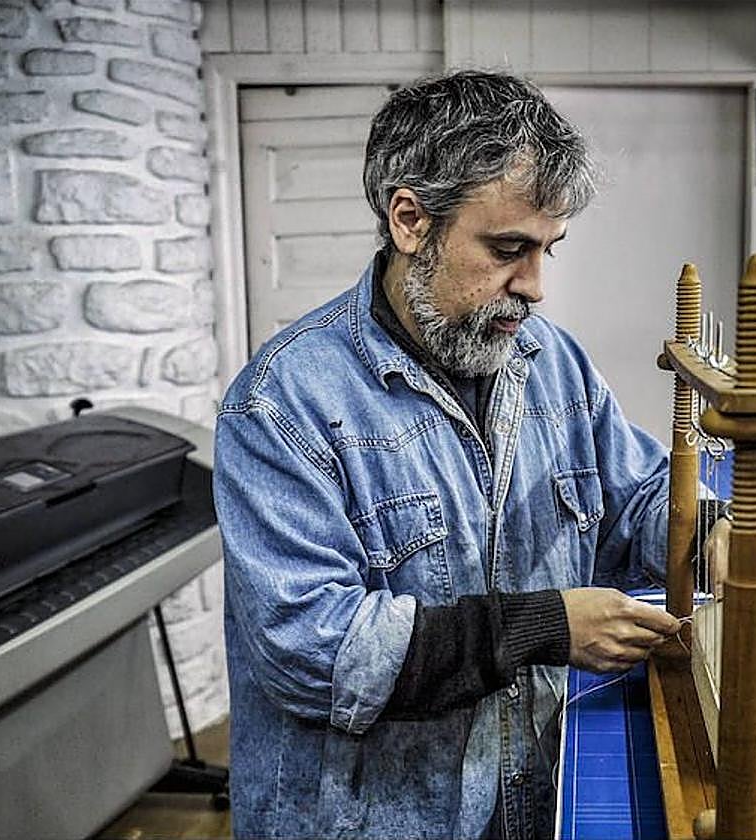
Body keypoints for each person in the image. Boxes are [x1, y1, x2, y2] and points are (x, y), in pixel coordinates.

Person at [213, 70, 681, 840]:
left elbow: (635, 497)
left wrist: (705, 531)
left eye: (546, 252)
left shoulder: (549, 361)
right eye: (507, 249)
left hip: (534, 793)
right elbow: (313, 651)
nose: (533, 288)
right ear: (409, 220)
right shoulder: (281, 405)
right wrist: (542, 628)